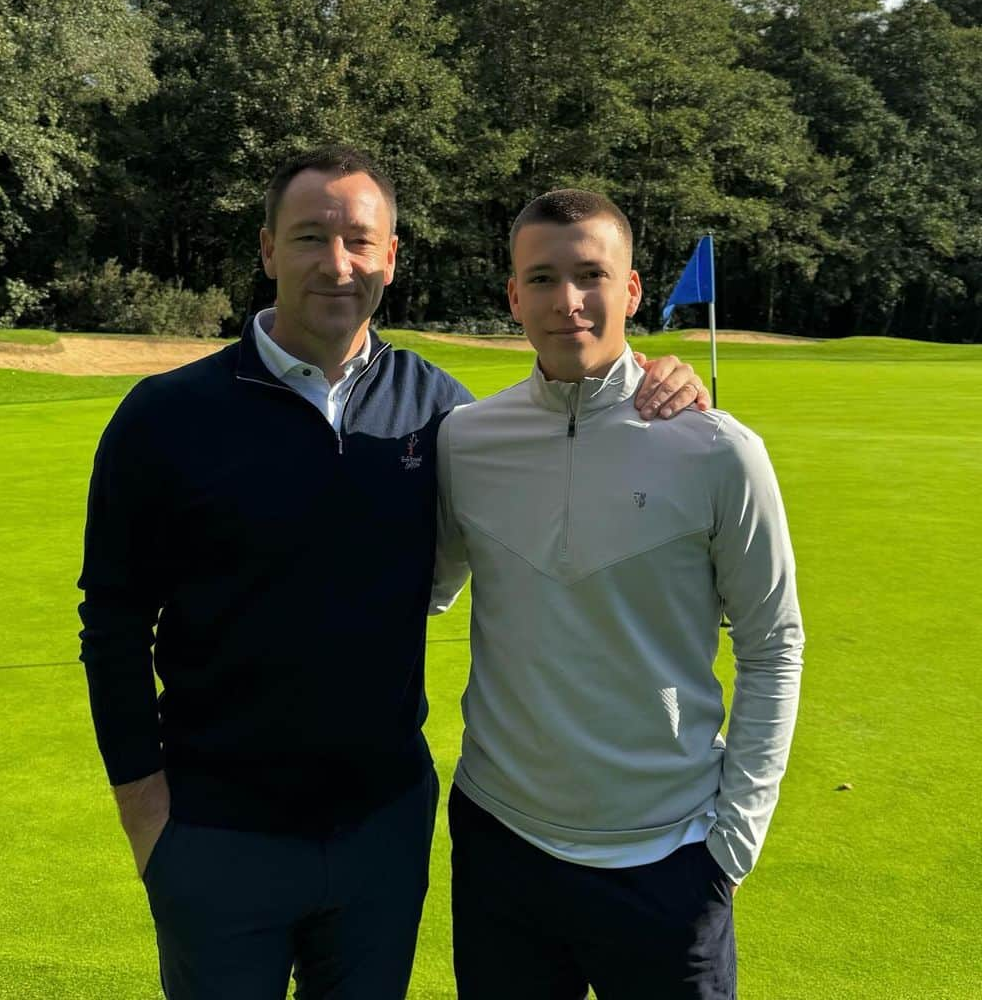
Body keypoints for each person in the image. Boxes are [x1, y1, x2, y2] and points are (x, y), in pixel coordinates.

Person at [78, 147, 708, 1000]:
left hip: (382, 832)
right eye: (309, 237)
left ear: (391, 257)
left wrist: (659, 383)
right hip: (217, 831)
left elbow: (567, 436)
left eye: (358, 241)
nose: (336, 264)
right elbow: (112, 621)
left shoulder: (442, 411)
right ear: (267, 250)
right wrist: (147, 818)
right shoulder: (166, 416)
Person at [434, 190, 804, 1000]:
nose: (567, 301)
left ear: (632, 290)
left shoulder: (718, 450)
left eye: (590, 274)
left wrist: (732, 843)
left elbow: (774, 644)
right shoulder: (466, 439)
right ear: (513, 297)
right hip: (501, 842)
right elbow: (422, 591)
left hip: (667, 859)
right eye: (541, 279)